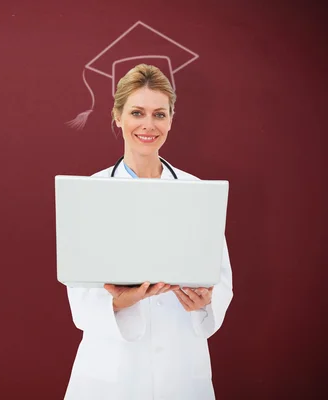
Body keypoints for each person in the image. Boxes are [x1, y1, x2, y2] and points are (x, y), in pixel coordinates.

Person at [63, 64, 234, 400]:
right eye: (137, 112)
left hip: (181, 367)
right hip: (111, 370)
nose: (148, 124)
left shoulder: (196, 192)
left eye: (159, 114)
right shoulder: (90, 194)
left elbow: (221, 279)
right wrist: (118, 303)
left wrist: (204, 303)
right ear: (117, 116)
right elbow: (79, 294)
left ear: (171, 119)